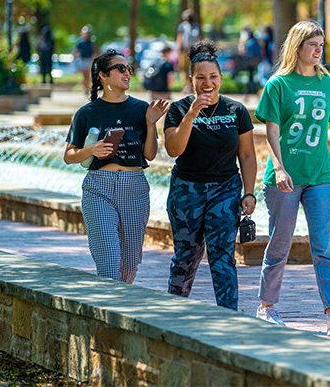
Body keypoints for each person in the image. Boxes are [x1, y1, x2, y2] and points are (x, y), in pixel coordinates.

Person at [254, 20, 330, 336]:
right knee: (280, 242)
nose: (318, 50)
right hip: (284, 175)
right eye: (313, 45)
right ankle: (266, 307)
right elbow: (270, 131)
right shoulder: (278, 85)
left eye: (321, 45)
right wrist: (280, 167)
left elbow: (325, 126)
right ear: (297, 47)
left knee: (322, 246)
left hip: (319, 173)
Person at [163, 40, 257, 310]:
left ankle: (229, 316)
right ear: (191, 79)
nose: (208, 83)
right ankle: (173, 311)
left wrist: (248, 192)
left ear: (221, 78)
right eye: (201, 77)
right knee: (186, 255)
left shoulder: (235, 110)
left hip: (225, 190)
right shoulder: (179, 110)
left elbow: (248, 156)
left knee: (223, 255)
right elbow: (173, 149)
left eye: (213, 77)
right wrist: (192, 113)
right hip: (186, 191)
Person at [63, 50, 169, 283]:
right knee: (109, 264)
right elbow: (69, 155)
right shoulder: (86, 113)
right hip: (98, 188)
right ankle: (105, 314)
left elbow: (149, 155)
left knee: (130, 265)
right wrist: (90, 150)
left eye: (128, 68)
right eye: (120, 69)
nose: (127, 73)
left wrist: (152, 124)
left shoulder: (142, 109)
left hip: (135, 188)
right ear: (103, 75)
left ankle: (116, 314)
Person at [176, 9, 201, 93]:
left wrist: (178, 50)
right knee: (193, 69)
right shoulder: (197, 26)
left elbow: (180, 38)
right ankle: (193, 86)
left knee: (182, 69)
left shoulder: (182, 26)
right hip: (194, 51)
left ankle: (185, 86)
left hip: (184, 50)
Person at [71, 26, 101, 92]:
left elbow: (96, 50)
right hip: (82, 59)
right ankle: (85, 87)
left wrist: (95, 56)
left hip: (89, 59)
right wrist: (72, 59)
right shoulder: (80, 42)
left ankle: (87, 87)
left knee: (87, 74)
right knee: (84, 75)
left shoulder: (92, 42)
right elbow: (76, 51)